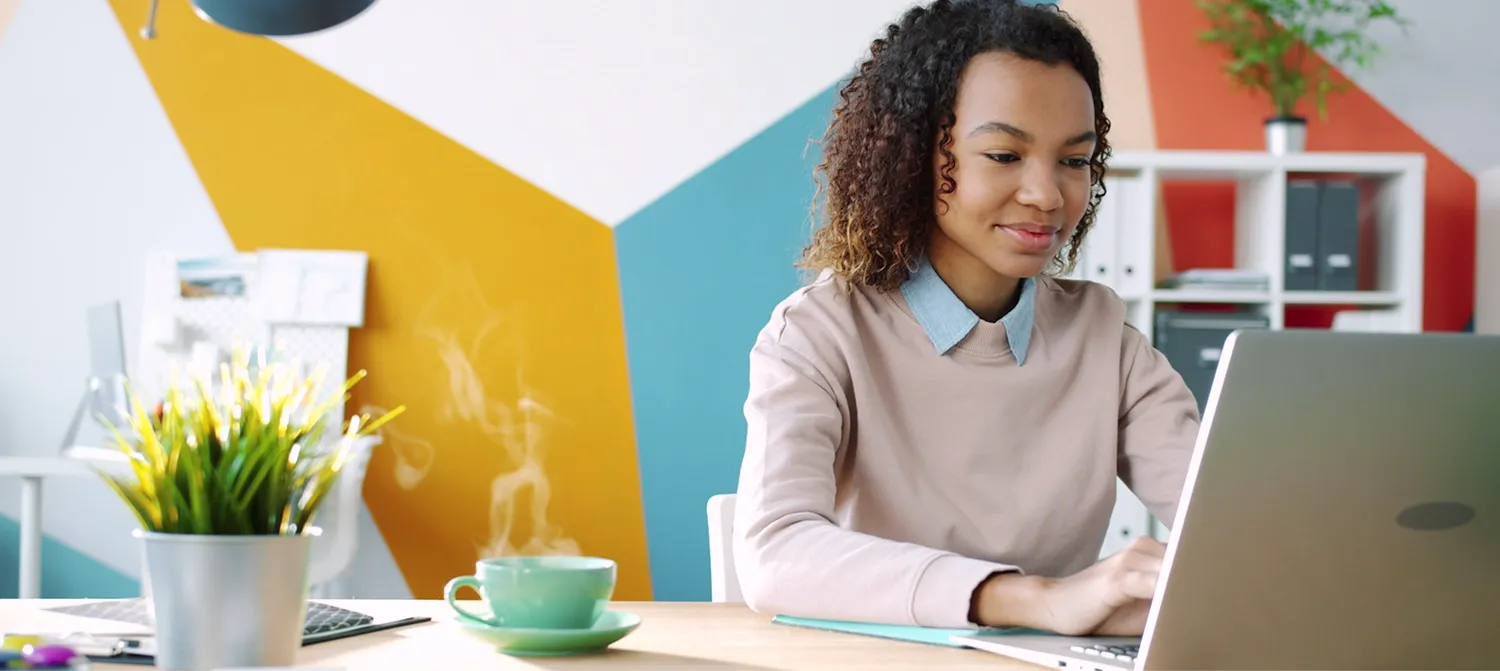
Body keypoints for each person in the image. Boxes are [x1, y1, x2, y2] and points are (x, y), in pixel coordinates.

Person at [731, 0, 1200, 637]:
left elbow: (1231, 526)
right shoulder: (822, 332)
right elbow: (775, 553)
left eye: (1073, 160)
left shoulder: (1106, 339)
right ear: (915, 156)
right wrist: (1038, 600)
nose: (1046, 194)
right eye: (1004, 156)